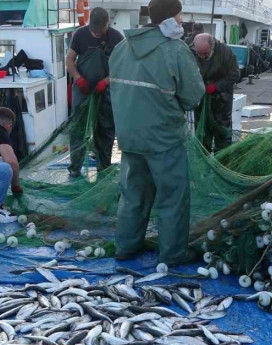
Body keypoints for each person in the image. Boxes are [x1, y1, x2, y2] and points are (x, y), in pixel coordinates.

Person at [109, 0, 205, 265]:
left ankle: (126, 247)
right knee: (172, 198)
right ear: (169, 20)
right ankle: (173, 254)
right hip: (163, 139)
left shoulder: (120, 47)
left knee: (133, 195)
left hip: (129, 138)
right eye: (180, 16)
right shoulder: (176, 50)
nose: (182, 21)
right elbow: (193, 96)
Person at [65, 7, 124, 177]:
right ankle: (75, 168)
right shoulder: (80, 34)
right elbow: (69, 59)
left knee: (105, 129)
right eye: (93, 30)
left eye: (100, 30)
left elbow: (121, 66)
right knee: (78, 127)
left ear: (108, 23)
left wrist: (106, 81)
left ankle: (103, 167)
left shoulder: (116, 38)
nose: (96, 34)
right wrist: (78, 78)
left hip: (105, 90)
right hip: (82, 89)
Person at [193, 33, 240, 152]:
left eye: (205, 54)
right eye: (199, 54)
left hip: (221, 102)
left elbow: (235, 74)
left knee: (223, 136)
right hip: (201, 102)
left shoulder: (225, 52)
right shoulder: (191, 52)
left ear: (212, 46)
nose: (202, 57)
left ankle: (223, 163)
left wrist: (216, 86)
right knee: (202, 135)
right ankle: (204, 164)